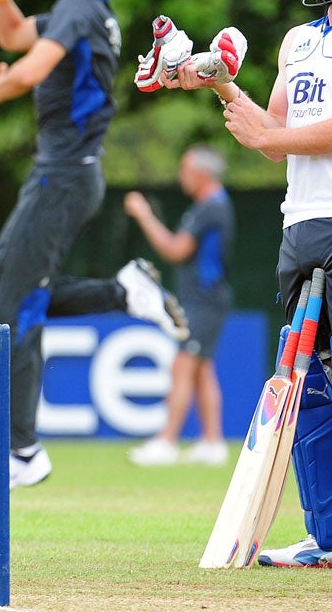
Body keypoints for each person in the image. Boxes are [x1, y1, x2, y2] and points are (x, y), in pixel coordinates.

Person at [161, 0, 332, 571]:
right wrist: (214, 82)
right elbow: (270, 132)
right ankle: (327, 538)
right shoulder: (297, 40)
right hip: (302, 222)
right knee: (310, 387)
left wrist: (270, 137)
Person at [0, 0, 190, 494]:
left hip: (64, 178)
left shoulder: (82, 11)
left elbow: (27, 67)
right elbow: (14, 33)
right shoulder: (78, 12)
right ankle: (124, 292)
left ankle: (23, 452)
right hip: (58, 176)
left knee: (14, 307)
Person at [124, 144, 235, 467]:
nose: (181, 177)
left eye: (185, 170)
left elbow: (175, 250)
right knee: (202, 371)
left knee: (183, 367)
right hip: (206, 300)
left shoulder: (209, 208)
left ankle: (166, 441)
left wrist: (144, 215)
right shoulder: (214, 205)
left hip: (204, 300)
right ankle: (213, 443)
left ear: (201, 173)